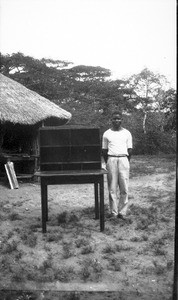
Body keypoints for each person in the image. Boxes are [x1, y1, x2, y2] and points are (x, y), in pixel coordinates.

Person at [102, 111, 133, 219]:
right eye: (114, 119)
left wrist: (125, 161)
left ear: (122, 120)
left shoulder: (127, 133)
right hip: (111, 159)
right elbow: (104, 151)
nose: (116, 121)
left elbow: (130, 149)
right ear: (111, 120)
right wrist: (109, 162)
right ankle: (114, 212)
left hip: (124, 159)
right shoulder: (107, 133)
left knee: (124, 187)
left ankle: (122, 212)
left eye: (118, 119)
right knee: (112, 187)